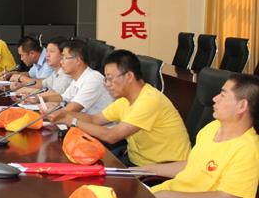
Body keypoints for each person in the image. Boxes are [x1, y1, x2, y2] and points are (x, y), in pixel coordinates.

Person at [144, 74, 259, 198]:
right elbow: (192, 165)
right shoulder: (213, 127)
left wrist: (167, 195)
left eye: (223, 95)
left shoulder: (248, 151)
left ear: (242, 106)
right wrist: (146, 169)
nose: (215, 98)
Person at [54, 49, 191, 166]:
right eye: (106, 79)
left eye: (110, 78)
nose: (107, 84)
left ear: (129, 76)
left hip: (162, 169)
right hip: (136, 162)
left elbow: (112, 136)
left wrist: (72, 121)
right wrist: (63, 114)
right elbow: (94, 119)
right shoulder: (125, 99)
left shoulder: (149, 100)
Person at [34, 39, 113, 120]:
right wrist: (43, 100)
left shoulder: (93, 79)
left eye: (65, 58)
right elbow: (64, 99)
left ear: (77, 60)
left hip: (98, 126)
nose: (61, 62)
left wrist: (52, 110)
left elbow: (72, 109)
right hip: (80, 123)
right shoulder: (77, 79)